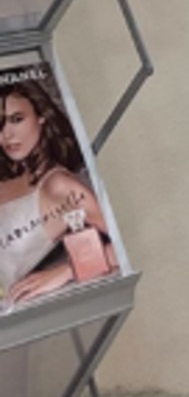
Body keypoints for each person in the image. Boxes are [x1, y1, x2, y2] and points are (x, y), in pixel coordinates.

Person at [0, 76, 118, 309]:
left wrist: (67, 270)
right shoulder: (8, 180)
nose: (7, 135)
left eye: (17, 119)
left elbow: (125, 247)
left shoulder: (59, 187)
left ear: (41, 117)